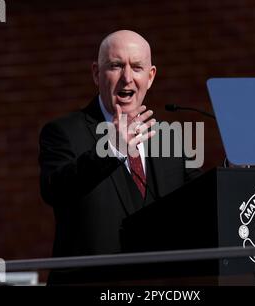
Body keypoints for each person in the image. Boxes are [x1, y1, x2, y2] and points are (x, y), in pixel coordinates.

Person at [39, 30, 201, 284]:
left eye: (137, 67)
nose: (127, 78)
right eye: (116, 66)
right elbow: (55, 190)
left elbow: (198, 200)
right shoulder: (63, 132)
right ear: (96, 73)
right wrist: (111, 150)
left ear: (150, 77)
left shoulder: (169, 139)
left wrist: (232, 175)